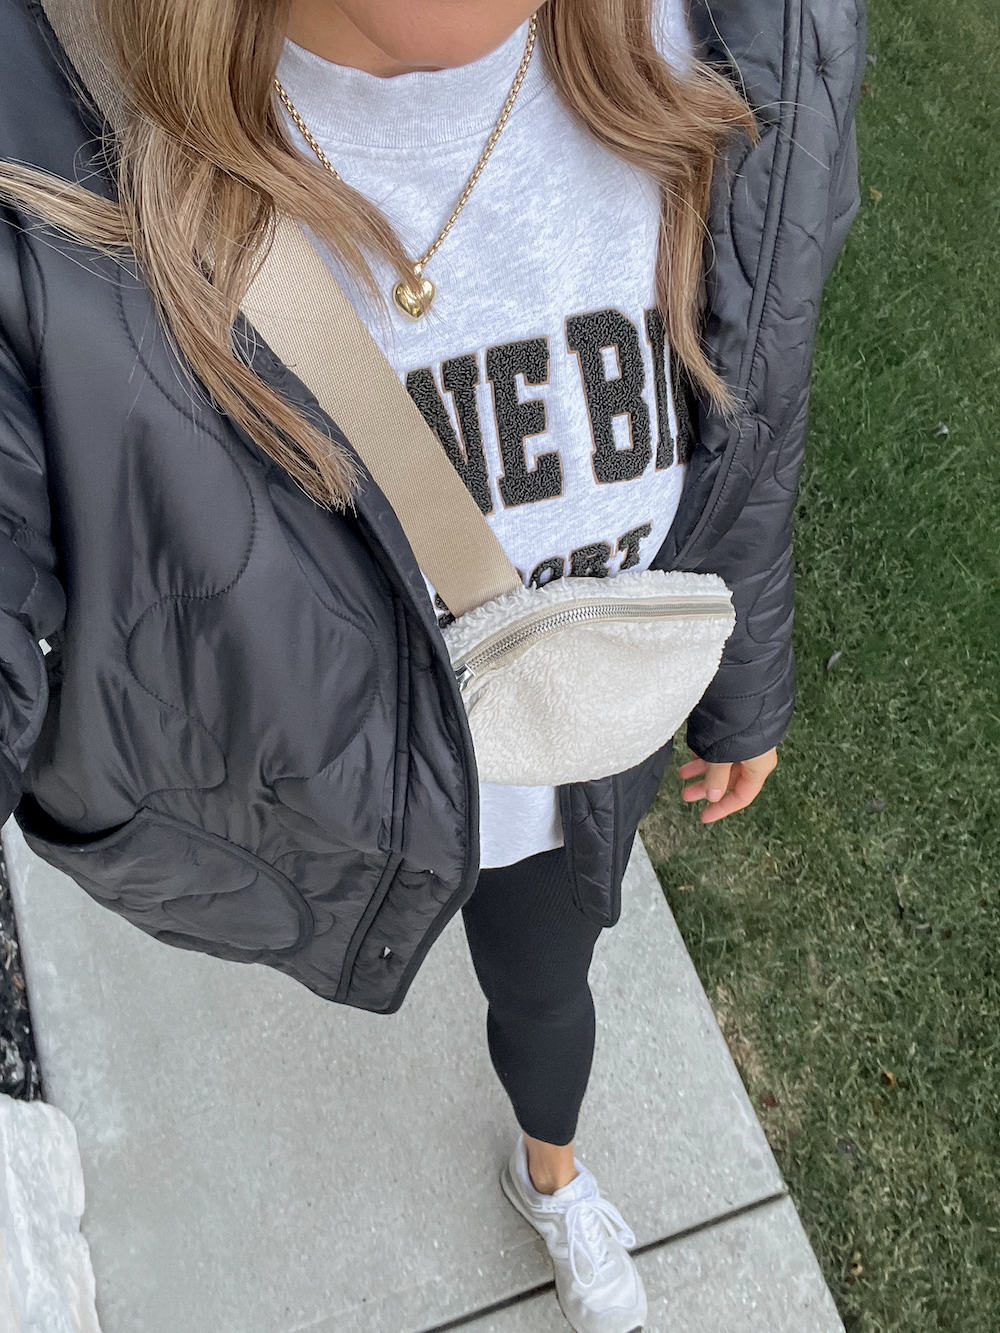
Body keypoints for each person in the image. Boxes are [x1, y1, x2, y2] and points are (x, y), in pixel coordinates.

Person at [0, 0, 865, 1328]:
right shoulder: (43, 136)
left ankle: (555, 1174)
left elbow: (757, 404)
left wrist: (748, 674)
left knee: (546, 990)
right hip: (337, 801)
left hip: (565, 770)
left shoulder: (761, 33)